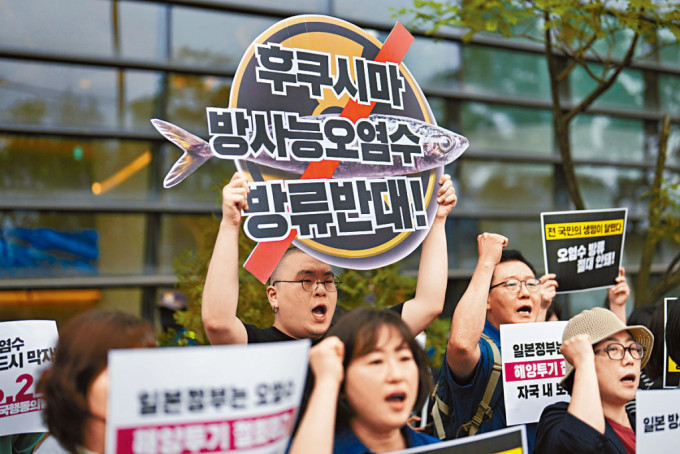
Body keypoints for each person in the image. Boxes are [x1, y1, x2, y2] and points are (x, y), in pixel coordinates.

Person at [202, 171, 457, 344]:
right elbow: (217, 324)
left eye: (328, 281)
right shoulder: (261, 347)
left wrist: (437, 220)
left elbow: (428, 305)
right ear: (273, 295)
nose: (321, 290)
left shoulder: (351, 344)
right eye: (306, 281)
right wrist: (230, 224)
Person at [289, 308, 440, 454]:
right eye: (376, 361)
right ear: (341, 377)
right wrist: (326, 381)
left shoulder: (439, 449)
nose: (396, 375)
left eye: (404, 358)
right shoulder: (303, 447)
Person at [535, 307, 653, 454]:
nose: (629, 359)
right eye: (613, 349)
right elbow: (580, 445)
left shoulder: (645, 424)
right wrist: (584, 361)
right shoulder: (557, 419)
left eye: (633, 348)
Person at [36, 311, 156, 454]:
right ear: (78, 376)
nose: (132, 381)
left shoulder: (164, 443)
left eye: (142, 368)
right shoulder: (54, 450)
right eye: (117, 367)